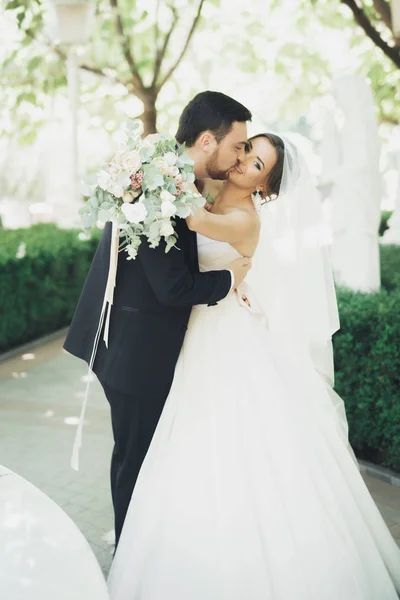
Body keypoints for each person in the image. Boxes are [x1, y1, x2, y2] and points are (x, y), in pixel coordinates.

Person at [107, 133, 400, 599]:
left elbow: (192, 217)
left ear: (265, 185)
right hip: (199, 330)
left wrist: (145, 172)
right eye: (245, 150)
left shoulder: (242, 217)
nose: (243, 162)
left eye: (256, 163)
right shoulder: (216, 194)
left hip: (226, 337)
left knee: (229, 440)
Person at [63, 91, 253, 547]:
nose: (240, 156)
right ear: (208, 140)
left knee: (140, 455)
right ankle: (129, 561)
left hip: (139, 343)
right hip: (136, 350)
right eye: (236, 146)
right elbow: (174, 289)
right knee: (136, 460)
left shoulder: (167, 178)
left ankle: (139, 548)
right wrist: (230, 279)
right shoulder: (158, 189)